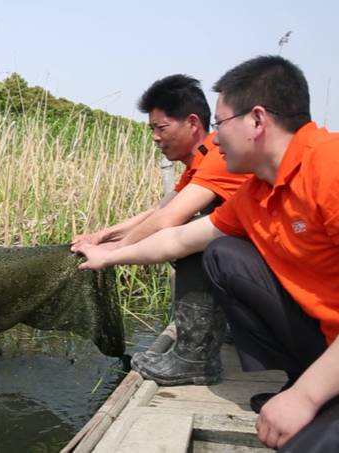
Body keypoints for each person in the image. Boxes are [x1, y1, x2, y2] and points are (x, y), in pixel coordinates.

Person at [73, 55, 339, 451]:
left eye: (220, 124)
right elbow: (178, 238)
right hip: (323, 334)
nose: (214, 139)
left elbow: (168, 221)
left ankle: (313, 392)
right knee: (223, 254)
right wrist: (106, 254)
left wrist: (305, 399)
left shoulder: (329, 167)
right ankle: (307, 380)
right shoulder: (256, 191)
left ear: (257, 120)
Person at [72, 74, 250, 385]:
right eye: (152, 129)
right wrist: (103, 236)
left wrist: (112, 252)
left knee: (200, 244)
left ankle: (194, 359)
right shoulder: (203, 159)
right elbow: (158, 210)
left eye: (161, 127)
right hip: (255, 261)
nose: (155, 137)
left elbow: (170, 221)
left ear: (192, 123)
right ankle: (232, 328)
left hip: (273, 267)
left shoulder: (217, 159)